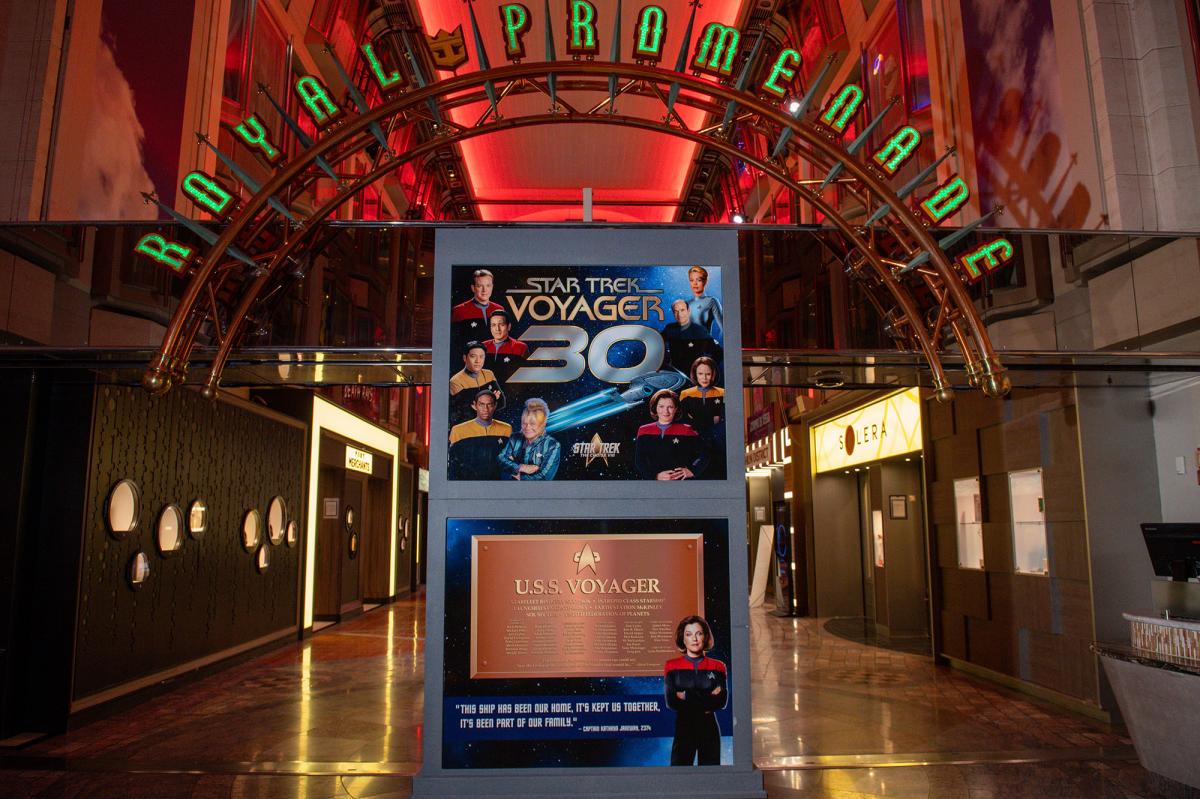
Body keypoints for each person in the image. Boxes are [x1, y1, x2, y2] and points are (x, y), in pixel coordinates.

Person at [664, 615, 727, 766]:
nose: (694, 639)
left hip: (709, 727)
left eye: (699, 633)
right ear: (683, 639)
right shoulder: (671, 666)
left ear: (705, 637)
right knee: (680, 772)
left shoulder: (718, 666)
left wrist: (686, 695)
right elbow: (671, 702)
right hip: (684, 726)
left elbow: (721, 701)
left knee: (711, 772)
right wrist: (707, 697)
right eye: (689, 634)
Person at [634, 389, 708, 480]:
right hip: (654, 482)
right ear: (655, 407)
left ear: (676, 409)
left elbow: (704, 455)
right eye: (661, 406)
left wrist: (693, 470)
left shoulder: (686, 429)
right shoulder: (643, 430)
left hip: (680, 482)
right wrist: (655, 476)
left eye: (670, 407)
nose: (666, 411)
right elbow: (640, 461)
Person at [448, 390, 512, 480]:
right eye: (481, 404)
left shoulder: (506, 429)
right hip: (467, 482)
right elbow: (452, 463)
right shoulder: (458, 430)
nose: (486, 409)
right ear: (474, 405)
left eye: (489, 404)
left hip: (496, 482)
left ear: (495, 406)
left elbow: (510, 459)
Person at [498, 398, 561, 480]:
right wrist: (520, 467)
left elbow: (544, 477)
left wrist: (515, 474)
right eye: (524, 423)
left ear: (543, 424)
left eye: (532, 424)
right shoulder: (514, 438)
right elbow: (500, 459)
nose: (527, 427)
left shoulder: (552, 446)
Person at [661, 299, 721, 375]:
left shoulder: (700, 331)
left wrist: (707, 369)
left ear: (688, 311)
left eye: (682, 310)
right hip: (675, 374)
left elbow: (718, 353)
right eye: (676, 311)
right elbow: (658, 342)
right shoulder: (670, 328)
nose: (679, 314)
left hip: (694, 376)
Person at [449, 341, 502, 422]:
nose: (478, 361)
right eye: (473, 356)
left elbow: (502, 402)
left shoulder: (489, 374)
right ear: (465, 358)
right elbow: (464, 413)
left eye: (481, 357)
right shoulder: (455, 381)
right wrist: (492, 399)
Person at [483, 309, 529, 381]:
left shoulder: (520, 347)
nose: (497, 329)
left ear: (509, 326)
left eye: (501, 325)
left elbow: (526, 375)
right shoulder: (482, 347)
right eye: (493, 325)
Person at [685, 266, 723, 341]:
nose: (695, 283)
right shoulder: (686, 304)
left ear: (705, 281)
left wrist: (717, 345)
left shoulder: (712, 301)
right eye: (691, 280)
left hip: (705, 346)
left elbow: (723, 329)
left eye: (698, 280)